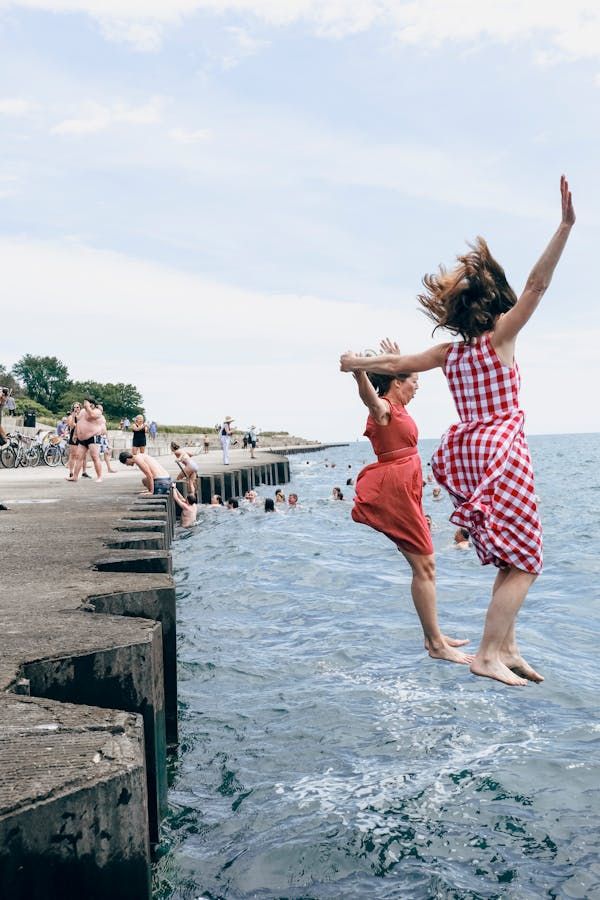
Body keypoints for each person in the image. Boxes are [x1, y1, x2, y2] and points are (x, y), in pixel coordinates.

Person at [341, 175, 575, 686]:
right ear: (494, 304)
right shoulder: (500, 337)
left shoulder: (451, 353)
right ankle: (488, 653)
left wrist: (357, 361)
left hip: (465, 445)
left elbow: (399, 359)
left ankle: (506, 645)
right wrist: (564, 227)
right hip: (499, 446)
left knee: (510, 553)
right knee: (529, 559)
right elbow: (537, 286)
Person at [340, 344, 471, 666]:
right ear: (397, 383)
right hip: (395, 490)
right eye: (414, 381)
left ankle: (434, 636)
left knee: (425, 565)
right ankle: (436, 643)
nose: (417, 387)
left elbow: (391, 381)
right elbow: (369, 399)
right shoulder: (383, 407)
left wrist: (393, 360)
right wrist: (359, 371)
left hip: (405, 489)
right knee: (425, 565)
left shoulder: (399, 408)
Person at [68, 398, 105, 482]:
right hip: (82, 438)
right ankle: (75, 476)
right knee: (79, 457)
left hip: (93, 437)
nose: (85, 405)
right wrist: (75, 434)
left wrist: (88, 406)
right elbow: (78, 423)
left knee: (95, 457)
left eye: (87, 403)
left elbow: (92, 415)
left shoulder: (97, 411)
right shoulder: (82, 411)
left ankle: (99, 477)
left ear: (92, 404)